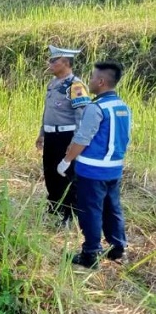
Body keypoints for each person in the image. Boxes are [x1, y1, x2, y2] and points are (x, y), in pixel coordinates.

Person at [59, 61, 131, 269]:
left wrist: (66, 161)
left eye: (92, 77)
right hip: (114, 168)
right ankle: (118, 248)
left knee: (90, 211)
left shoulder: (96, 107)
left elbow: (82, 139)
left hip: (92, 171)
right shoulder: (122, 107)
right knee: (113, 208)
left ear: (100, 82)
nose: (89, 81)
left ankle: (90, 253)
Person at [35, 45, 91, 225]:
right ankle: (54, 210)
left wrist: (75, 141)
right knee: (50, 173)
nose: (50, 64)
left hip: (66, 137)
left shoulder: (76, 86)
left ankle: (68, 215)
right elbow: (47, 112)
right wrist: (42, 133)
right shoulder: (52, 84)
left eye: (54, 61)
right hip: (51, 136)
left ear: (66, 63)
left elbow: (82, 115)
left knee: (67, 175)